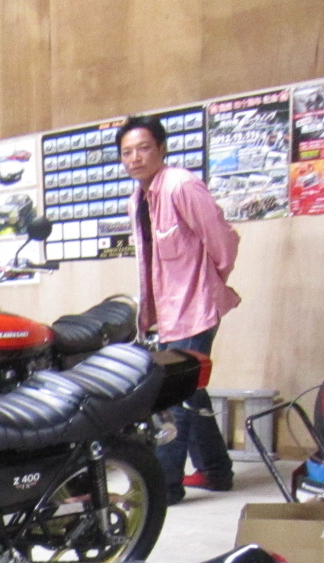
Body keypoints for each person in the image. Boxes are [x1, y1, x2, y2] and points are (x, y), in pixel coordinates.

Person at [119, 114, 240, 504]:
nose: (135, 158)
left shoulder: (181, 185)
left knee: (175, 396)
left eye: (143, 148)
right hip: (166, 313)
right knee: (192, 390)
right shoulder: (138, 198)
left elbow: (223, 240)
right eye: (127, 152)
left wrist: (210, 282)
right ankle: (217, 471)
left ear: (161, 149)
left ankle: (165, 486)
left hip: (195, 306)